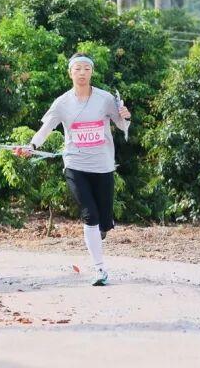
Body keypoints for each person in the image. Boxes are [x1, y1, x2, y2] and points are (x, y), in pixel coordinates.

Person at [14, 52, 131, 286]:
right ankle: (100, 269)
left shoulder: (105, 98)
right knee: (90, 216)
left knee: (104, 222)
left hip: (103, 166)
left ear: (92, 72)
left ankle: (102, 229)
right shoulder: (62, 102)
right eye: (77, 69)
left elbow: (121, 125)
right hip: (75, 165)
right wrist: (31, 146)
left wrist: (125, 116)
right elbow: (47, 127)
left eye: (86, 69)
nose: (82, 73)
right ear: (70, 72)